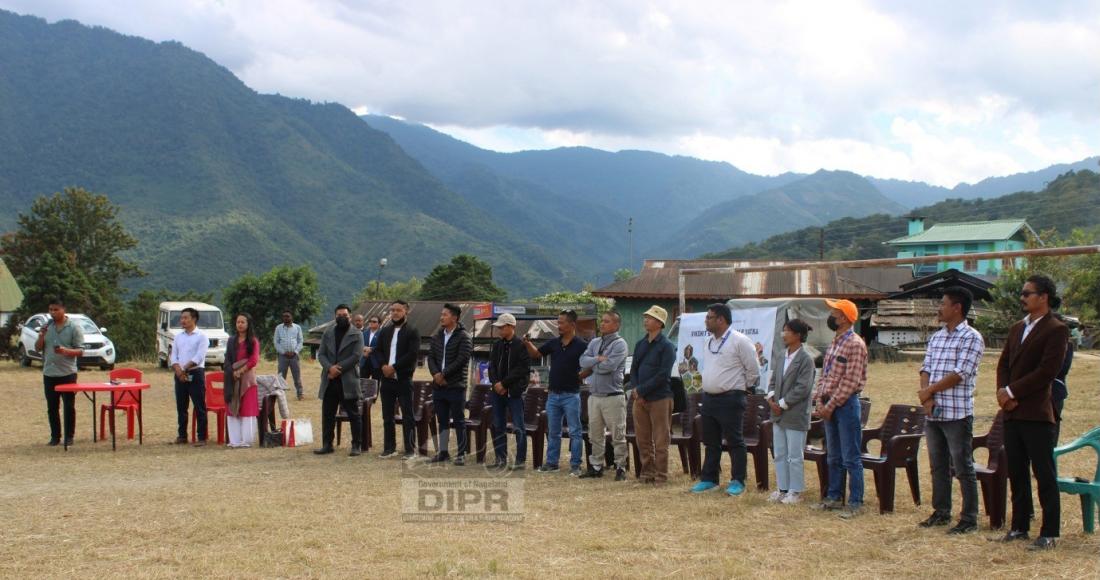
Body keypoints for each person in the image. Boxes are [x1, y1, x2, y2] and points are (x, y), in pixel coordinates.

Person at [996, 275, 1069, 551]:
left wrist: (1012, 392)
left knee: (1044, 474)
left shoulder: (1056, 329)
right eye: (1022, 293)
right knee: (1016, 471)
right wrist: (1003, 393)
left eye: (1028, 293)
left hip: (1037, 412)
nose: (1023, 297)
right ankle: (1019, 526)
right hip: (1012, 412)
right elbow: (1003, 363)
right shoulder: (1017, 328)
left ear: (1044, 297)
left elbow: (1047, 371)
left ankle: (1049, 532)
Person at [916, 287, 984, 534]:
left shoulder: (971, 337)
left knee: (963, 467)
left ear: (957, 307)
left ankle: (968, 518)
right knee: (938, 465)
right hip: (934, 411)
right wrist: (926, 397)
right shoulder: (937, 337)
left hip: (957, 413)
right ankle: (941, 511)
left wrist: (929, 391)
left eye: (943, 303)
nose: (939, 308)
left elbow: (960, 374)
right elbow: (926, 367)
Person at [690, 303, 760, 496]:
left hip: (731, 398)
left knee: (735, 441)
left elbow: (753, 370)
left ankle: (738, 480)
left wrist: (741, 390)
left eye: (709, 318)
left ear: (721, 319)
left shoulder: (740, 341)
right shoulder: (708, 341)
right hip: (709, 398)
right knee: (711, 441)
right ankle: (709, 479)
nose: (706, 321)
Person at [811, 298, 868, 518]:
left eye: (834, 313)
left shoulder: (855, 344)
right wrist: (819, 401)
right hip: (829, 404)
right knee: (833, 455)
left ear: (844, 317)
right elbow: (825, 376)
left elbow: (850, 382)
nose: (831, 316)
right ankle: (834, 497)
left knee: (850, 456)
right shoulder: (835, 342)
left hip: (845, 405)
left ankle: (855, 502)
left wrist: (830, 405)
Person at [525, 309, 589, 476]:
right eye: (557, 322)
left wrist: (582, 375)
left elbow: (592, 365)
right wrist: (527, 343)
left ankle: (576, 465)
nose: (558, 325)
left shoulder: (582, 345)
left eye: (561, 322)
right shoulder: (554, 343)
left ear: (572, 325)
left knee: (575, 431)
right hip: (553, 395)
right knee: (553, 431)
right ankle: (552, 463)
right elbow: (536, 353)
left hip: (571, 395)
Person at [765, 319, 815, 505]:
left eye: (787, 331)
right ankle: (782, 488)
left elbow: (803, 388)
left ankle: (795, 491)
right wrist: (771, 399)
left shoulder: (806, 359)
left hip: (795, 413)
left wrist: (783, 403)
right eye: (783, 331)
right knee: (779, 452)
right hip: (777, 413)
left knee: (795, 455)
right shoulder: (780, 355)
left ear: (798, 335)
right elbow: (773, 380)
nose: (783, 334)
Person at [578, 310, 630, 481]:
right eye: (602, 321)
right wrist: (597, 359)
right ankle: (596, 466)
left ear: (616, 325)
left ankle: (621, 467)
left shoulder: (620, 344)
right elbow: (582, 361)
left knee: (617, 433)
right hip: (594, 396)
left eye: (607, 321)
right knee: (595, 434)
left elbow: (610, 366)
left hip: (613, 395)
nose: (602, 324)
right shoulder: (595, 342)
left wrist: (594, 364)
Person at [630, 305, 676, 485]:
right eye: (645, 317)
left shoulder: (667, 346)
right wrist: (636, 389)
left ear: (659, 322)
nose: (645, 320)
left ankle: (661, 476)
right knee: (643, 439)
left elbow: (663, 375)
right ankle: (647, 473)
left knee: (660, 440)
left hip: (660, 398)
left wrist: (641, 390)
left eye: (649, 317)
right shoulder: (640, 344)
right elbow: (634, 369)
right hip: (640, 398)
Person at [315, 304, 365, 457]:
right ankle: (327, 444)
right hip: (329, 379)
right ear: (335, 316)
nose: (342, 317)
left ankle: (356, 445)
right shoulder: (328, 332)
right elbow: (321, 354)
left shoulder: (357, 334)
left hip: (348, 380)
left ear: (350, 316)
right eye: (339, 315)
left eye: (345, 315)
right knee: (328, 413)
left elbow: (356, 356)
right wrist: (329, 368)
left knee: (353, 414)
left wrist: (338, 369)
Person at [427, 303, 473, 465]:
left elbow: (462, 359)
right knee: (443, 420)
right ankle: (443, 452)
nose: (441, 317)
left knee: (459, 420)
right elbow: (430, 357)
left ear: (454, 317)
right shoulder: (437, 335)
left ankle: (461, 453)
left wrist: (444, 374)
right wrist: (436, 374)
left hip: (455, 385)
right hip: (439, 386)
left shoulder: (464, 336)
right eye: (441, 314)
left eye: (445, 314)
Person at [36, 297, 84, 447]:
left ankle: (69, 437)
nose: (52, 312)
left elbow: (81, 351)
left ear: (64, 310)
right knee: (52, 407)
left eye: (56, 309)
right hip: (49, 373)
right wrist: (41, 335)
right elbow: (38, 348)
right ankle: (55, 437)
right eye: (50, 310)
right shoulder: (47, 326)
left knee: (68, 406)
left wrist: (66, 351)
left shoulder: (74, 327)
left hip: (67, 373)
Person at [377, 300, 421, 459]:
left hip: (403, 378)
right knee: (387, 415)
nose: (395, 313)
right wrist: (383, 365)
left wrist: (394, 367)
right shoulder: (385, 331)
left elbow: (412, 354)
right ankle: (389, 447)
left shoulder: (412, 331)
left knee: (407, 415)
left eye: (398, 310)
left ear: (406, 311)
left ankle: (410, 450)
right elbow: (378, 350)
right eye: (392, 310)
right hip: (386, 379)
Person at [488, 313, 531, 469]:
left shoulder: (521, 345)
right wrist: (495, 384)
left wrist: (504, 384)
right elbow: (491, 366)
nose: (499, 329)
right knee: (498, 424)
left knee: (518, 426)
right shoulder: (498, 345)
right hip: (498, 392)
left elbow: (522, 369)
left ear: (511, 327)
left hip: (514, 392)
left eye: (502, 326)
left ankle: (520, 460)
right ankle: (501, 458)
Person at [170, 307, 209, 446]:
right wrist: (178, 370)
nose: (183, 320)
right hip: (180, 375)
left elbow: (199, 356)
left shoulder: (202, 336)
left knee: (199, 406)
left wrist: (184, 368)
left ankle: (202, 437)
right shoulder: (178, 337)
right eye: (181, 318)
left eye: (186, 318)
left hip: (195, 373)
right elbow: (173, 355)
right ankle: (182, 435)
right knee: (181, 406)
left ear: (194, 319)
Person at [224, 313, 261, 448]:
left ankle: (246, 440)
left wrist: (240, 371)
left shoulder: (253, 341)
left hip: (247, 380)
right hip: (232, 378)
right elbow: (227, 359)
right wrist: (232, 372)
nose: (239, 324)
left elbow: (253, 360)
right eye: (238, 322)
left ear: (248, 324)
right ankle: (234, 440)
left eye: (242, 322)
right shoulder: (231, 341)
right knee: (232, 407)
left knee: (247, 408)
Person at [1051, 314, 1075, 443]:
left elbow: (1061, 369)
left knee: (1052, 431)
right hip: (1035, 394)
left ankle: (1051, 457)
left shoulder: (1067, 345)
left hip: (1055, 392)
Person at [274, 311, 305, 400]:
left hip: (294, 356)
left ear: (292, 317)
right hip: (283, 356)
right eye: (284, 317)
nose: (285, 318)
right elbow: (276, 342)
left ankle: (300, 394)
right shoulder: (278, 328)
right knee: (281, 376)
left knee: (297, 376)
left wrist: (295, 351)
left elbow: (300, 341)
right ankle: (279, 395)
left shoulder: (297, 327)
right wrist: (284, 352)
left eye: (287, 316)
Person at [361, 315, 383, 380]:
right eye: (370, 321)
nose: (371, 323)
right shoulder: (364, 333)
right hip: (364, 361)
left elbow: (382, 346)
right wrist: (363, 350)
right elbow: (359, 345)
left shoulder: (382, 334)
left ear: (379, 324)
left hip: (376, 362)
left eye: (374, 321)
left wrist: (371, 349)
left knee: (375, 383)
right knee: (362, 383)